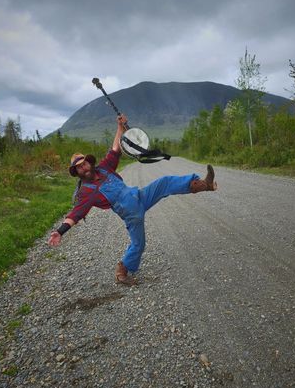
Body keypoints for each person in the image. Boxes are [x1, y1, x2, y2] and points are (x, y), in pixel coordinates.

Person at [48, 114, 218, 285]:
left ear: (89, 163)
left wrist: (120, 127)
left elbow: (115, 149)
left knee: (165, 182)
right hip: (131, 214)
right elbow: (75, 214)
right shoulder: (86, 191)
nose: (83, 168)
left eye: (84, 163)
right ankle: (122, 270)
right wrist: (60, 231)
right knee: (139, 245)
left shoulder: (104, 168)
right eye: (78, 167)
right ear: (76, 172)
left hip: (140, 197)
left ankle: (203, 184)